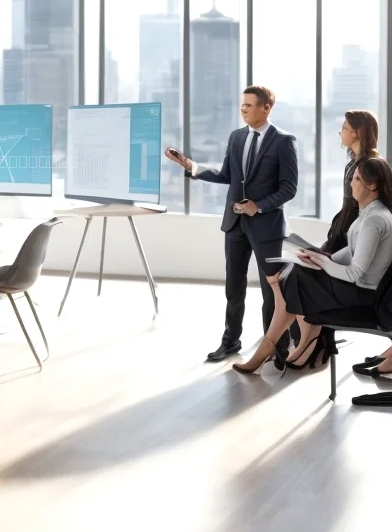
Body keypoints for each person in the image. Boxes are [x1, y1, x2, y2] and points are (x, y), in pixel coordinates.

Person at [165, 85, 298, 363]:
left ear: (266, 108)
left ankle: (275, 345)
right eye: (243, 105)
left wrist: (258, 206)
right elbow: (226, 174)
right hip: (235, 224)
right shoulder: (237, 137)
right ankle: (231, 341)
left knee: (271, 290)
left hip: (267, 228)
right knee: (233, 287)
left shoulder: (284, 141)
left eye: (249, 105)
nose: (244, 109)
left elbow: (289, 189)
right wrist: (191, 166)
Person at [232, 157, 392, 375]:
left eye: (356, 179)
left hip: (362, 293)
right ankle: (288, 342)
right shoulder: (370, 214)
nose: (351, 183)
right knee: (298, 272)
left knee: (295, 280)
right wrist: (319, 256)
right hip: (359, 288)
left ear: (372, 185)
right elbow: (352, 251)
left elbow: (355, 273)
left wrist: (324, 262)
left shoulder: (375, 219)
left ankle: (276, 345)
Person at [316, 110, 380, 363]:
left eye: (344, 128)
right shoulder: (353, 160)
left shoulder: (369, 165)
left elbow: (363, 208)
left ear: (358, 132)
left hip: (350, 234)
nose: (340, 132)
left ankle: (318, 343)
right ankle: (316, 341)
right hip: (341, 229)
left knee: (321, 278)